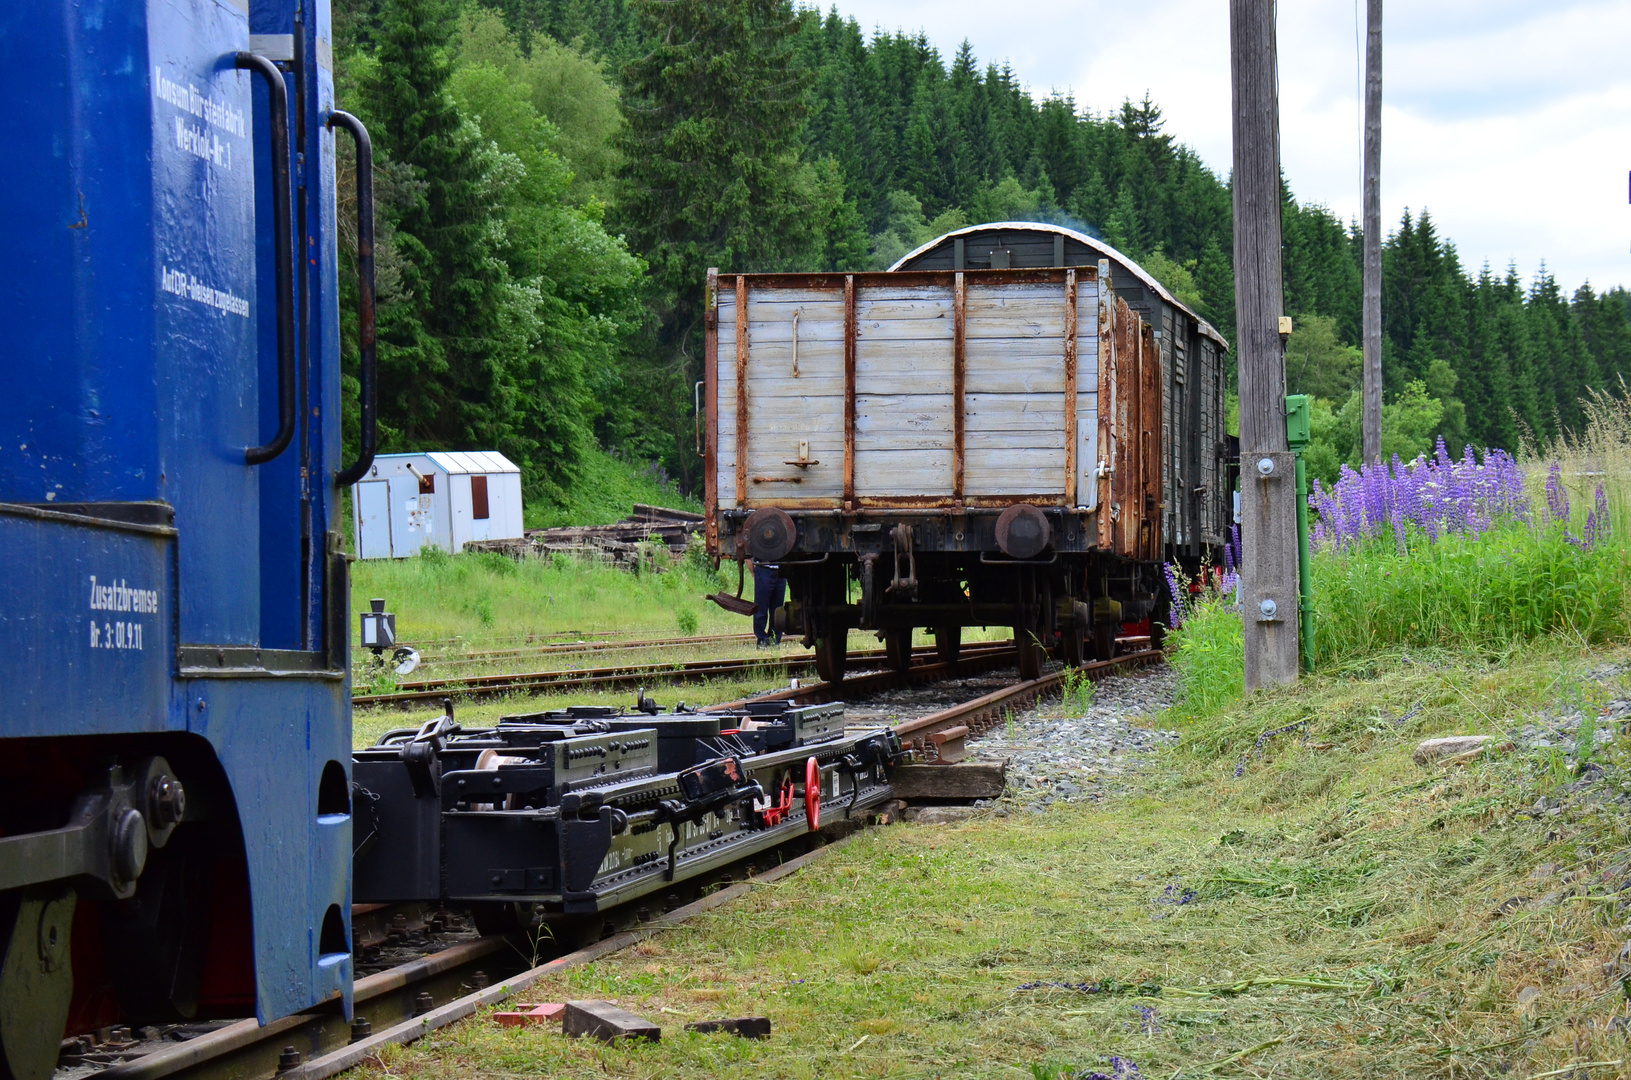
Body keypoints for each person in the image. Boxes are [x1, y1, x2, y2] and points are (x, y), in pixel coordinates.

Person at [751, 558, 785, 646]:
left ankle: (774, 639)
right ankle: (762, 639)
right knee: (761, 608)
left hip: (781, 570)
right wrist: (753, 571)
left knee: (778, 609)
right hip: (763, 568)